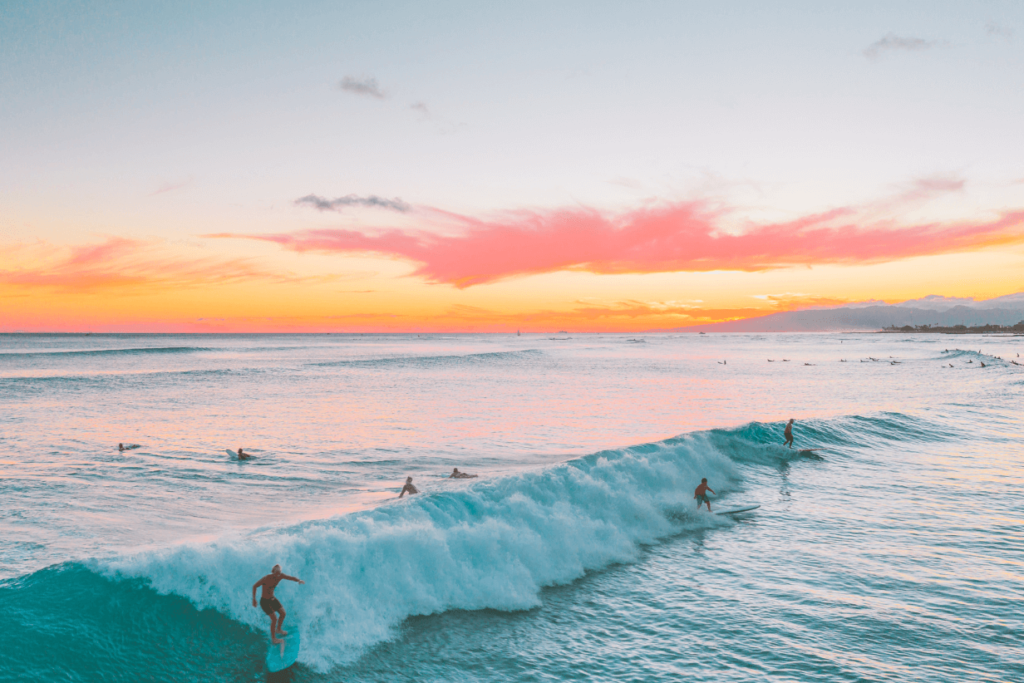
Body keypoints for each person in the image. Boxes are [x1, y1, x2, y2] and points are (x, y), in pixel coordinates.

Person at [252, 565, 304, 646]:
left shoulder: (281, 576)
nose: (278, 574)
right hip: (265, 601)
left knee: (283, 613)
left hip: (272, 599)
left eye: (279, 573)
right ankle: (274, 639)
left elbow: (290, 577)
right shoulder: (266, 578)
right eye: (276, 573)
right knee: (274, 619)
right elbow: (254, 586)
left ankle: (278, 629)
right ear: (273, 572)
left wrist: (298, 580)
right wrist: (254, 599)